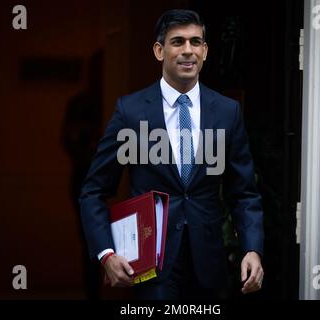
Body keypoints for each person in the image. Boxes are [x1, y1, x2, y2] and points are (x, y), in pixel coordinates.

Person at [79, 9, 264, 300]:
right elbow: (93, 191)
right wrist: (107, 254)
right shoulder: (130, 111)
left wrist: (252, 249)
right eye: (177, 42)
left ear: (205, 50)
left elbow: (243, 193)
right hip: (152, 265)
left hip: (209, 266)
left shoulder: (228, 112)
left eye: (195, 42)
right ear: (158, 50)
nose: (188, 50)